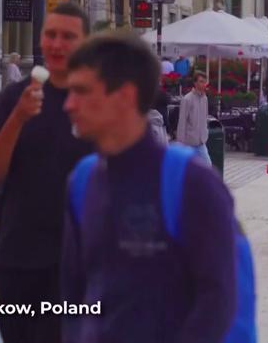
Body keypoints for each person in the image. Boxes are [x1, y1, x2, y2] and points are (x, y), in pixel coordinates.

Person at [61, 31, 238, 342]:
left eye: (82, 91)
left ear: (125, 96)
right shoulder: (83, 180)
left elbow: (217, 301)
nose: (69, 105)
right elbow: (73, 294)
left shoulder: (193, 184)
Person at [0, 1, 93, 343]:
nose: (57, 44)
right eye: (50, 35)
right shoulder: (16, 96)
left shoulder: (98, 100)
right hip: (18, 259)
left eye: (68, 37)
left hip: (77, 264)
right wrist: (18, 118)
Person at [176, 71, 212, 166]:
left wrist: (205, 133)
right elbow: (182, 121)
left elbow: (205, 117)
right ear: (195, 83)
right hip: (189, 143)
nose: (204, 84)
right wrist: (180, 142)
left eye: (205, 81)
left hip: (201, 142)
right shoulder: (187, 99)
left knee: (208, 167)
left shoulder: (205, 99)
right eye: (201, 81)